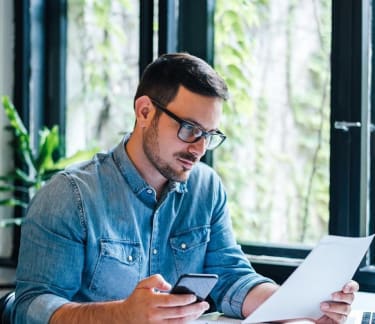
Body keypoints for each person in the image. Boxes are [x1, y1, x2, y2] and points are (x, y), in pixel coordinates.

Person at [13, 52, 358, 324]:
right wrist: (120, 315)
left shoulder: (205, 188)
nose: (199, 149)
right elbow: (31, 309)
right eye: (190, 128)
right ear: (145, 111)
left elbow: (229, 276)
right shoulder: (70, 196)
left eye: (209, 135)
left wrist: (301, 306)